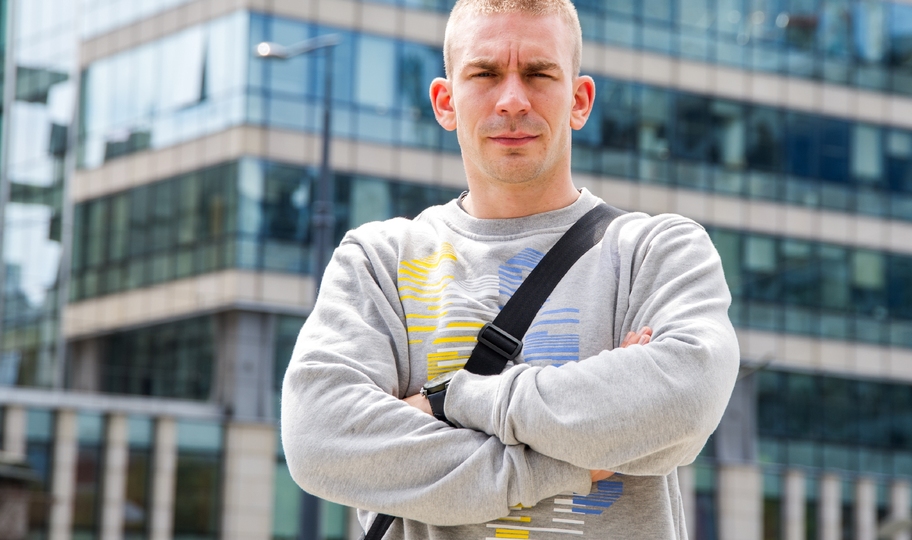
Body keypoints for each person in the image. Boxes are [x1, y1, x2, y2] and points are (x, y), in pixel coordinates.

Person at [280, 0, 741, 538]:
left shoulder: (657, 251)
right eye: (485, 74)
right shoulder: (378, 260)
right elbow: (319, 437)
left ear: (579, 100)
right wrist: (561, 461)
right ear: (446, 102)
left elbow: (685, 400)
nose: (513, 100)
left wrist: (446, 401)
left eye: (539, 74)